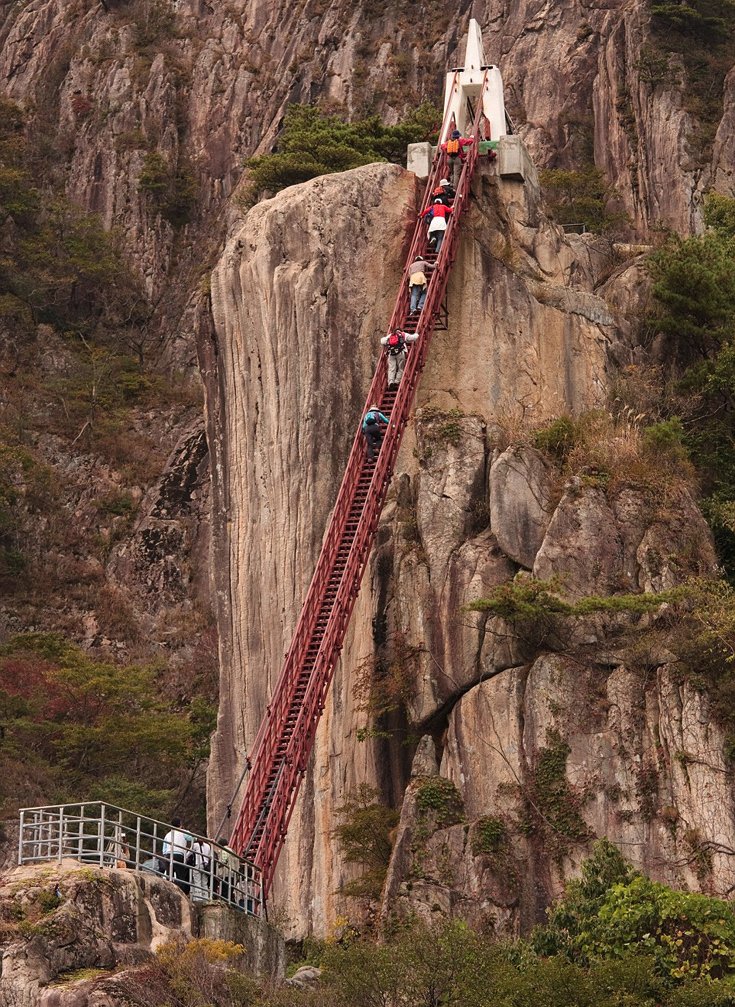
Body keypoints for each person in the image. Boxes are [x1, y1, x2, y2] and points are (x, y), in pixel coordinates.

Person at [161, 817, 191, 895]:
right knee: (180, 876)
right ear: (180, 824)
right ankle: (181, 894)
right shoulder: (183, 832)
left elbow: (164, 849)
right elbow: (193, 838)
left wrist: (165, 857)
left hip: (168, 855)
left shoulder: (168, 834)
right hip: (178, 855)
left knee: (169, 875)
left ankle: (168, 892)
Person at [188, 836, 214, 903]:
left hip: (197, 865)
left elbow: (189, 854)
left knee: (197, 882)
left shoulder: (195, 845)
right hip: (205, 866)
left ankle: (198, 898)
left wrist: (185, 860)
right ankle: (205, 898)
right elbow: (210, 856)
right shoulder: (208, 846)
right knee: (205, 883)